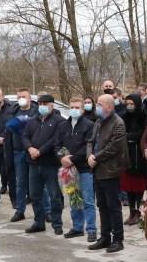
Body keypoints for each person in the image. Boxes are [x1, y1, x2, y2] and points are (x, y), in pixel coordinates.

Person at [87, 94, 128, 253]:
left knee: (113, 206)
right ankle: (105, 237)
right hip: (97, 169)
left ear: (109, 107)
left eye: (99, 104)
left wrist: (96, 157)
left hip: (110, 170)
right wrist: (89, 155)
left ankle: (118, 239)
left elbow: (114, 147)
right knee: (102, 205)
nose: (96, 107)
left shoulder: (118, 123)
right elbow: (91, 141)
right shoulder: (98, 121)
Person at [23, 94, 66, 235]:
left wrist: (40, 151)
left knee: (54, 195)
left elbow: (55, 140)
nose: (41, 106)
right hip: (34, 164)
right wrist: (30, 148)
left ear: (52, 105)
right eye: (40, 103)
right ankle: (39, 222)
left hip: (50, 164)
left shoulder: (59, 121)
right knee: (35, 195)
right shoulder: (32, 120)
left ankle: (57, 223)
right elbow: (24, 136)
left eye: (45, 103)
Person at [59, 98, 98, 242]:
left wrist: (72, 159)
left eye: (77, 107)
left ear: (82, 110)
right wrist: (61, 158)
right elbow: (57, 144)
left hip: (84, 168)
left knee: (88, 200)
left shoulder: (89, 125)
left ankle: (91, 229)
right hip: (68, 170)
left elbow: (88, 146)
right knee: (74, 198)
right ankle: (77, 227)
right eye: (72, 107)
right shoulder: (63, 125)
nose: (74, 109)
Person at [6, 89, 37, 221]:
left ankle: (45, 212)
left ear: (29, 98)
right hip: (18, 151)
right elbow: (8, 130)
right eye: (18, 97)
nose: (21, 99)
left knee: (37, 183)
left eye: (23, 96)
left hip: (33, 151)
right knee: (21, 183)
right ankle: (20, 211)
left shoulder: (36, 111)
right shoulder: (13, 112)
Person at [121, 93, 147, 225]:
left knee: (138, 187)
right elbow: (121, 133)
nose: (130, 106)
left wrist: (130, 136)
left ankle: (139, 211)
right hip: (127, 154)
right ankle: (132, 211)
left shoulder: (143, 116)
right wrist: (128, 137)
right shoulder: (123, 116)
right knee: (129, 186)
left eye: (132, 104)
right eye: (128, 104)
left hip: (138, 155)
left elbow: (142, 133)